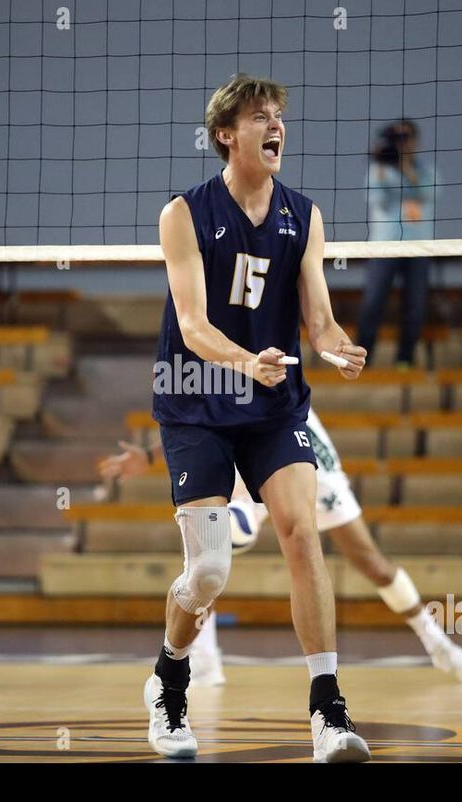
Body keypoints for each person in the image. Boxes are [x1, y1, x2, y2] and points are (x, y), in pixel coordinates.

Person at [148, 73, 371, 763]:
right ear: (226, 134)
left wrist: (337, 349)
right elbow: (191, 325)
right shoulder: (183, 213)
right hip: (196, 402)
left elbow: (320, 319)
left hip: (273, 404)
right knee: (210, 572)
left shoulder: (303, 215)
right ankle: (169, 681)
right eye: (259, 117)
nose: (275, 126)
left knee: (302, 534)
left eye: (278, 116)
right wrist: (246, 361)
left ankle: (328, 711)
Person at [101, 408, 462, 687]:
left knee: (371, 562)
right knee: (209, 552)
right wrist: (151, 455)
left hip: (294, 444)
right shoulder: (210, 335)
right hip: (240, 448)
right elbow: (203, 410)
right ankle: (203, 660)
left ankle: (438, 645)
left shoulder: (268, 325)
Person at [355, 119, 439, 369]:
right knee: (373, 302)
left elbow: (430, 194)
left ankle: (405, 359)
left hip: (418, 247)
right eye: (398, 139)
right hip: (385, 246)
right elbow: (377, 199)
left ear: (415, 141)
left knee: (415, 305)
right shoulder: (379, 169)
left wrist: (407, 169)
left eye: (407, 138)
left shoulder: (425, 170)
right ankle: (363, 358)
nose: (403, 143)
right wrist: (383, 169)